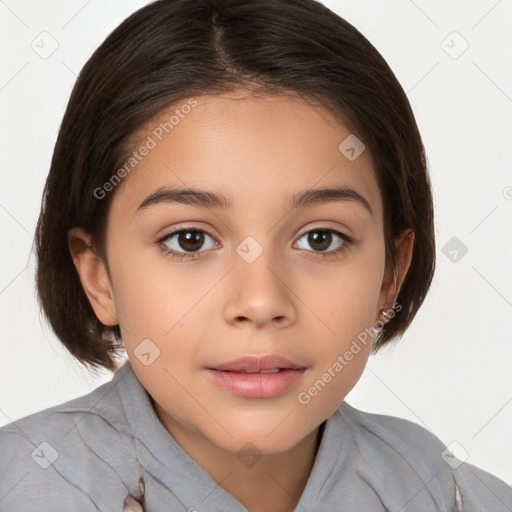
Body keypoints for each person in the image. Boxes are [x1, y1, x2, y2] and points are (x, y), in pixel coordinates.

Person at [1, 0, 510, 510]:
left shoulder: (460, 498)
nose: (261, 301)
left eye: (320, 239)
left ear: (390, 275)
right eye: (190, 240)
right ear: (99, 278)